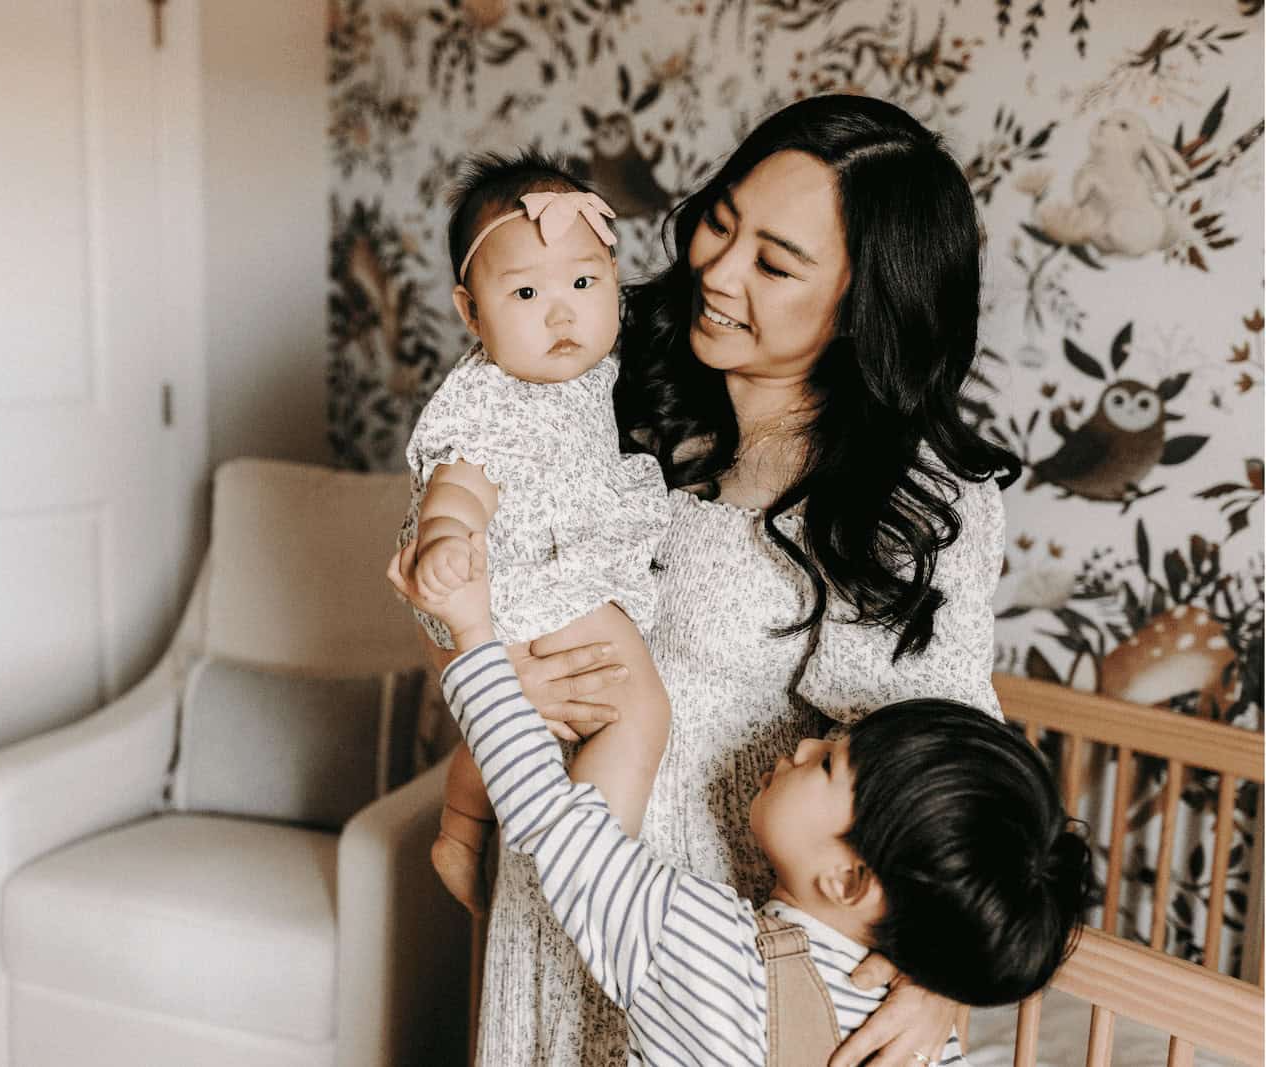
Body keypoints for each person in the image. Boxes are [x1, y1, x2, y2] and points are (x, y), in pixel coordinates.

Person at [393, 94, 1022, 1066]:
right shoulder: (606, 363)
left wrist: (937, 969)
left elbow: (948, 764)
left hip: (714, 953)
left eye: (775, 263)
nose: (717, 272)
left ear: (867, 299)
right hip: (554, 868)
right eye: (721, 223)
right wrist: (494, 672)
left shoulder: (902, 499)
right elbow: (459, 550)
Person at [392, 534, 1093, 1066]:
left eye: (828, 764)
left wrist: (474, 635)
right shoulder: (920, 1046)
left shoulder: (699, 941)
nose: (802, 746)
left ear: (849, 878)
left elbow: (549, 812)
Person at [398, 151, 674, 915]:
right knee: (636, 704)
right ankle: (594, 872)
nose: (562, 315)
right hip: (525, 575)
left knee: (530, 716)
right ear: (470, 313)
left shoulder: (593, 373)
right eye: (525, 292)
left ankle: (461, 828)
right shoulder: (493, 397)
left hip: (555, 567)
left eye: (584, 283)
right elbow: (460, 481)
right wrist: (446, 537)